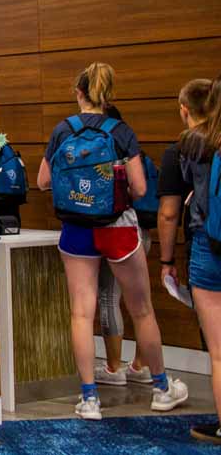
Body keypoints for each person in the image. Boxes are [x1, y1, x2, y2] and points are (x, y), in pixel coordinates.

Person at [36, 62, 187, 420]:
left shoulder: (62, 130)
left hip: (75, 230)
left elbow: (42, 180)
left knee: (81, 312)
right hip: (117, 228)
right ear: (109, 95)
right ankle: (162, 387)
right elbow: (140, 188)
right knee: (141, 309)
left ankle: (89, 399)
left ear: (79, 93)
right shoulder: (121, 132)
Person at [159, 78, 221, 442]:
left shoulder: (184, 149)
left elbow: (168, 214)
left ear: (186, 110)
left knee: (218, 352)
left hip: (208, 250)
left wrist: (167, 261)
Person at [94, 105, 150, 387]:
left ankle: (114, 368)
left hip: (118, 228)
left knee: (108, 297)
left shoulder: (103, 149)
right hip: (143, 229)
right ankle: (141, 365)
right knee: (142, 304)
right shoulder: (135, 148)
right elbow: (143, 190)